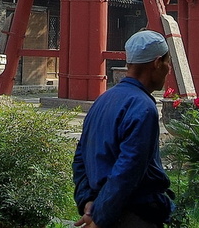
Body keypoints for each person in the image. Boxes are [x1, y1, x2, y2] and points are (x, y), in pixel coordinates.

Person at [73, 30, 174, 228]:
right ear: (157, 63)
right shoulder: (143, 106)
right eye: (167, 63)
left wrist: (88, 201)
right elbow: (128, 170)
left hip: (103, 208)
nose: (169, 70)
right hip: (133, 214)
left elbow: (80, 157)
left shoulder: (103, 100)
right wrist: (100, 218)